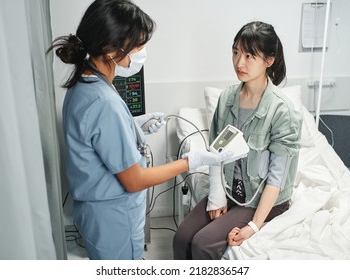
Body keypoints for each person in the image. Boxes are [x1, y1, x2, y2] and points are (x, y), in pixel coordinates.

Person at [47, 0, 233, 260]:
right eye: (139, 43)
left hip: (98, 214)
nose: (143, 50)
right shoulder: (104, 102)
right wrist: (190, 162)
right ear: (111, 48)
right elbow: (134, 180)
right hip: (114, 219)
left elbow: (94, 138)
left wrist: (132, 127)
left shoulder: (83, 84)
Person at [173, 21, 303, 260]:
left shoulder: (282, 111)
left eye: (249, 55)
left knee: (202, 244)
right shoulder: (227, 98)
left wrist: (253, 226)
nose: (239, 62)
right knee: (182, 238)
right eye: (235, 52)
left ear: (269, 60)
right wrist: (217, 195)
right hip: (231, 192)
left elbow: (276, 178)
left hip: (263, 199)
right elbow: (215, 151)